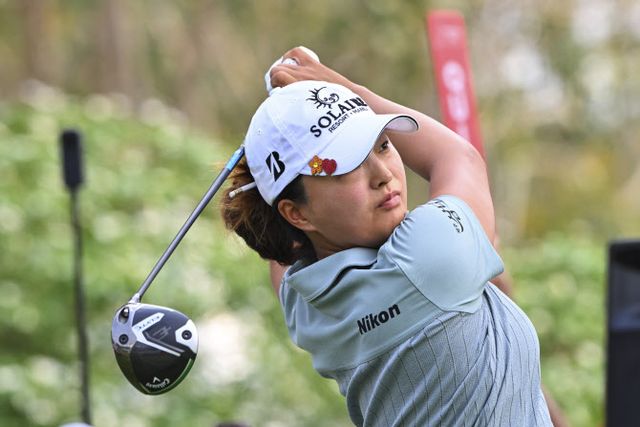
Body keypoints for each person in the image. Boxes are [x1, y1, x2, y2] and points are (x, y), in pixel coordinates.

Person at [221, 47, 554, 426]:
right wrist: (346, 89)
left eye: (382, 144)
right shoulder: (427, 255)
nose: (383, 174)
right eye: (346, 167)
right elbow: (458, 158)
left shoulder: (303, 301)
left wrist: (276, 144)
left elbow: (281, 248)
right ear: (297, 213)